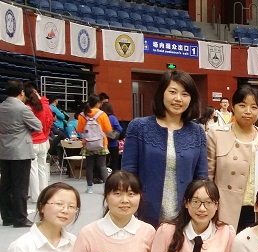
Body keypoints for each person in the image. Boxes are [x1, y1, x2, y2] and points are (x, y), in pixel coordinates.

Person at [122, 70, 207, 228]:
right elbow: (128, 175)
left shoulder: (197, 132)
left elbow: (201, 178)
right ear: (161, 93)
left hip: (184, 218)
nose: (178, 99)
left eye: (185, 94)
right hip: (144, 216)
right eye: (172, 92)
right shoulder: (139, 127)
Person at [207, 85, 258, 232]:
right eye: (242, 105)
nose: (248, 111)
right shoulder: (216, 135)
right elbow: (208, 177)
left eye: (254, 107)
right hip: (224, 209)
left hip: (257, 210)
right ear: (233, 107)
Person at [0, 80, 42, 228]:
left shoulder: (1, 107)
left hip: (4, 149)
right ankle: (20, 218)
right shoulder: (23, 109)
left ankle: (7, 217)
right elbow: (38, 126)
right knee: (20, 187)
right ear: (21, 92)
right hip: (21, 151)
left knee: (5, 185)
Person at [24, 82, 54, 203]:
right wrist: (45, 136)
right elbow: (49, 122)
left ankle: (35, 196)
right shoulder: (46, 106)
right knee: (42, 168)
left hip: (32, 141)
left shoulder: (27, 108)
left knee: (33, 170)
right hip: (43, 140)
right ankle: (45, 194)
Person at [76, 95, 112, 194]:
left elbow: (79, 130)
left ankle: (89, 188)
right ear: (97, 103)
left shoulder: (82, 115)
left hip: (88, 143)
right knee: (102, 166)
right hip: (101, 142)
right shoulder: (102, 114)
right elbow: (108, 129)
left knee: (89, 166)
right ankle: (107, 188)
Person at [100, 102, 123, 171]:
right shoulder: (112, 118)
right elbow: (120, 129)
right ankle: (114, 174)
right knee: (114, 161)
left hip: (103, 143)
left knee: (103, 162)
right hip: (113, 143)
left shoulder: (101, 117)